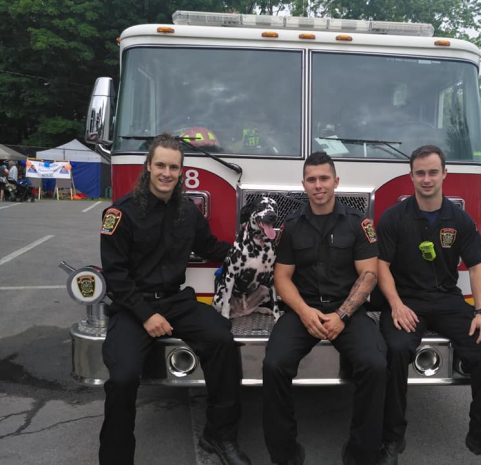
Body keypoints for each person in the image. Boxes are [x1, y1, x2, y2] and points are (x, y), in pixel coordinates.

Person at [99, 134, 251, 465]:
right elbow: (116, 277)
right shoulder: (120, 214)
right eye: (161, 166)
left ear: (181, 171)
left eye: (174, 167)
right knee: (123, 377)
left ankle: (219, 435)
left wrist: (252, 255)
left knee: (222, 339)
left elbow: (211, 246)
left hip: (175, 300)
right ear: (148, 167)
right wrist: (145, 315)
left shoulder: (187, 211)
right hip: (132, 305)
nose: (167, 173)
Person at [376, 145, 481, 465]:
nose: (426, 179)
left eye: (432, 172)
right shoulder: (394, 217)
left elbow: (478, 266)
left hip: (446, 300)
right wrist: (396, 304)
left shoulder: (459, 219)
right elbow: (381, 265)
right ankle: (392, 439)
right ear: (411, 176)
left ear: (444, 175)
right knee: (395, 350)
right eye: (420, 173)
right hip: (406, 301)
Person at [263, 151, 387, 465]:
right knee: (274, 365)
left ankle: (362, 452)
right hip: (302, 311)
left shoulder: (359, 224)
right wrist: (305, 313)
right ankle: (285, 453)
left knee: (374, 364)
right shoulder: (291, 226)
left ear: (336, 182)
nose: (318, 185)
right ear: (303, 184)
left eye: (324, 179)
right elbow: (282, 277)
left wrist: (342, 315)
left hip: (347, 311)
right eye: (312, 179)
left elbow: (369, 274)